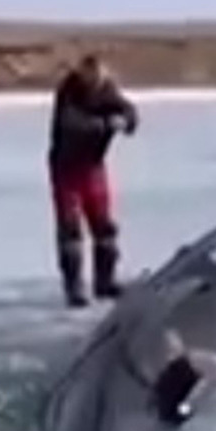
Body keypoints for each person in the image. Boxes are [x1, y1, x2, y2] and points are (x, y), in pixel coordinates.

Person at [46, 54, 138, 307]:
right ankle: (74, 287)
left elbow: (129, 111)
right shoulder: (69, 91)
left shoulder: (106, 89)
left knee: (103, 225)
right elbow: (72, 124)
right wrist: (108, 124)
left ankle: (104, 282)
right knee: (70, 227)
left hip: (93, 167)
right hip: (66, 168)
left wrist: (127, 121)